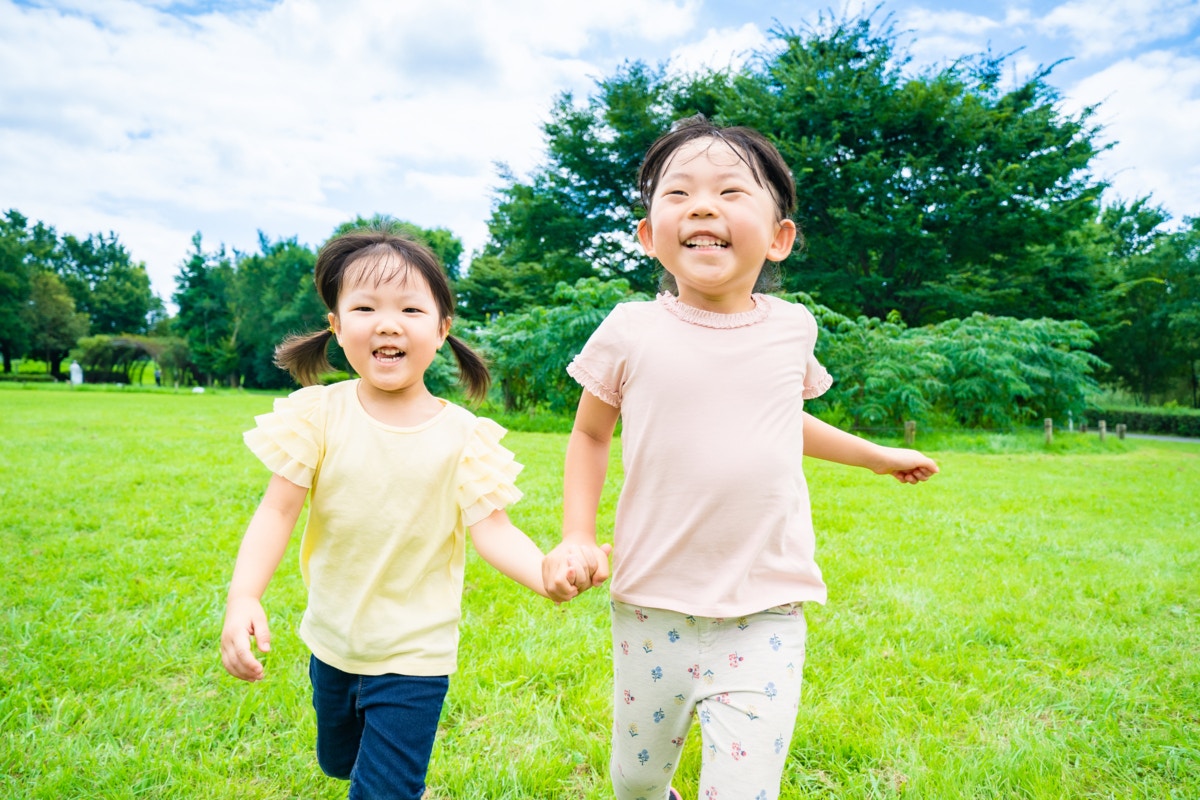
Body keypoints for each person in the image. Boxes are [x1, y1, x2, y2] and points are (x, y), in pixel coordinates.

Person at [544, 116, 939, 800]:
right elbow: (589, 435)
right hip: (652, 603)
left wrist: (876, 456)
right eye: (679, 194)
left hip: (767, 607)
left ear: (779, 238)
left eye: (731, 191)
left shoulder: (793, 328)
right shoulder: (631, 330)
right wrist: (578, 533)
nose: (703, 206)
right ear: (647, 236)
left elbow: (787, 421)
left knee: (744, 789)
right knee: (635, 783)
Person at [220, 226, 592, 800]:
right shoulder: (319, 415)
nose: (388, 323)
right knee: (339, 759)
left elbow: (493, 530)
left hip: (417, 653)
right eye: (365, 307)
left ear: (441, 330)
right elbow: (277, 511)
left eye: (410, 309)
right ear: (337, 326)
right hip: (333, 640)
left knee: (384, 791)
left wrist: (545, 574)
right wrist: (243, 597)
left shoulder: (464, 437)